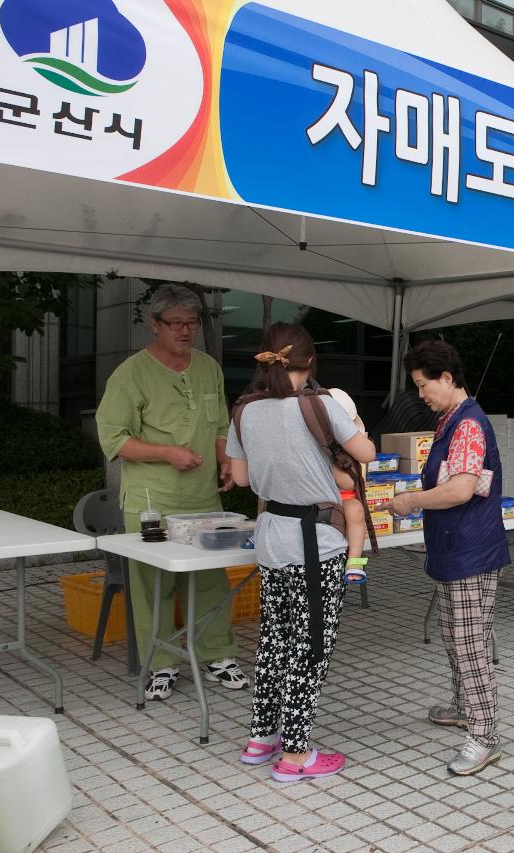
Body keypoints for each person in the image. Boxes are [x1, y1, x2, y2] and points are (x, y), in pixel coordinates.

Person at [225, 323, 376, 781]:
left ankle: (260, 739)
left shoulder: (244, 410)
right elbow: (365, 453)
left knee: (275, 638)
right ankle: (295, 755)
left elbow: (245, 479)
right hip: (316, 542)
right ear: (310, 363)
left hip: (272, 536)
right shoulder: (322, 404)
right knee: (309, 647)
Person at [95, 284, 248, 702]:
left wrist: (226, 460)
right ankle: (159, 664)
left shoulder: (208, 367)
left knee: (210, 579)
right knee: (151, 584)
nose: (185, 330)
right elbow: (113, 439)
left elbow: (219, 426)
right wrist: (166, 453)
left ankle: (217, 653)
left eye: (192, 322)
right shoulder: (130, 374)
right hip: (151, 501)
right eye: (176, 323)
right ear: (155, 325)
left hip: (202, 498)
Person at [389, 340, 510, 776]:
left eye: (424, 385)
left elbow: (460, 489)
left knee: (469, 642)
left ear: (446, 378)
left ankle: (485, 734)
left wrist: (412, 500)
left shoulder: (468, 425)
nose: (420, 394)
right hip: (456, 547)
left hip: (471, 550)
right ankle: (464, 706)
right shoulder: (450, 421)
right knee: (452, 632)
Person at [324, 388, 371, 585]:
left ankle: (354, 561)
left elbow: (347, 482)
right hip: (319, 500)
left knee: (356, 511)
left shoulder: (347, 453)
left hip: (345, 498)